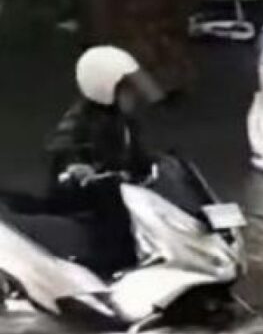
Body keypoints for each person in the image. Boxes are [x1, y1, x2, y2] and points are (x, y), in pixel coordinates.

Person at [15, 46, 164, 278]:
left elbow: (140, 159)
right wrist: (77, 169)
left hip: (122, 200)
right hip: (86, 207)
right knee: (114, 243)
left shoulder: (124, 122)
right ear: (106, 89)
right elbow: (63, 151)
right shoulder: (79, 121)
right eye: (126, 88)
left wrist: (161, 166)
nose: (134, 94)